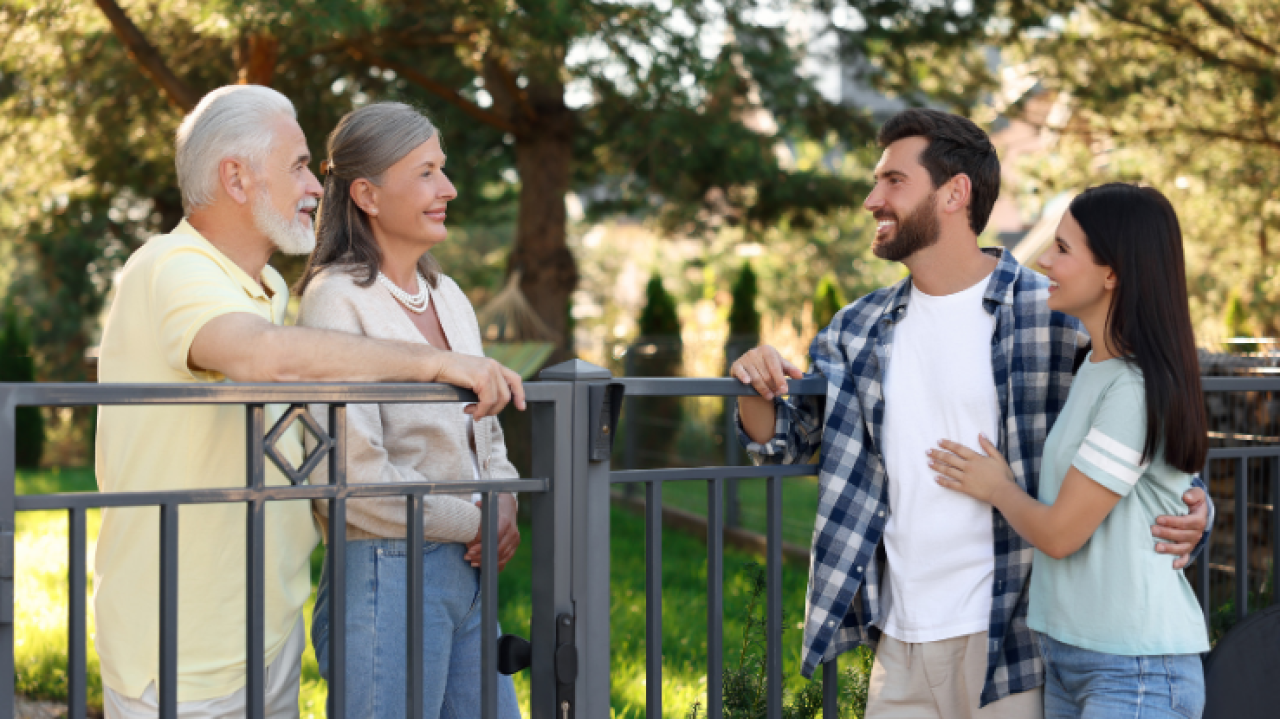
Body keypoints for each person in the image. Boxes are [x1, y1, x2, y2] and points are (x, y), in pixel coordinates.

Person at [730, 109, 1210, 718]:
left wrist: (1197, 505)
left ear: (955, 193)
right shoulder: (857, 328)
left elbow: (1147, 424)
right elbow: (786, 441)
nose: (873, 199)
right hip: (899, 640)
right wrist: (754, 382)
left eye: (893, 181)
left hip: (1014, 642)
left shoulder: (1056, 315)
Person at [95, 86, 524, 718]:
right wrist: (434, 364)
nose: (317, 184)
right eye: (298, 165)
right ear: (236, 178)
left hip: (266, 636)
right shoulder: (170, 265)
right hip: (180, 648)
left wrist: (499, 496)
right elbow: (266, 358)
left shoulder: (264, 289)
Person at [930, 183, 1209, 718]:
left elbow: (1060, 535)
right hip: (1071, 657)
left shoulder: (1131, 388)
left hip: (1134, 669)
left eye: (1062, 248)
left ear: (1113, 272)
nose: (1043, 259)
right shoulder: (1093, 369)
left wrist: (997, 489)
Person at [296, 102, 522, 718]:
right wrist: (476, 520)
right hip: (385, 572)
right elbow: (352, 482)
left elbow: (488, 436)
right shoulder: (334, 302)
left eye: (441, 169)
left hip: (470, 575)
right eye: (425, 173)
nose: (447, 188)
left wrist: (503, 499)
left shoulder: (449, 296)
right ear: (367, 193)